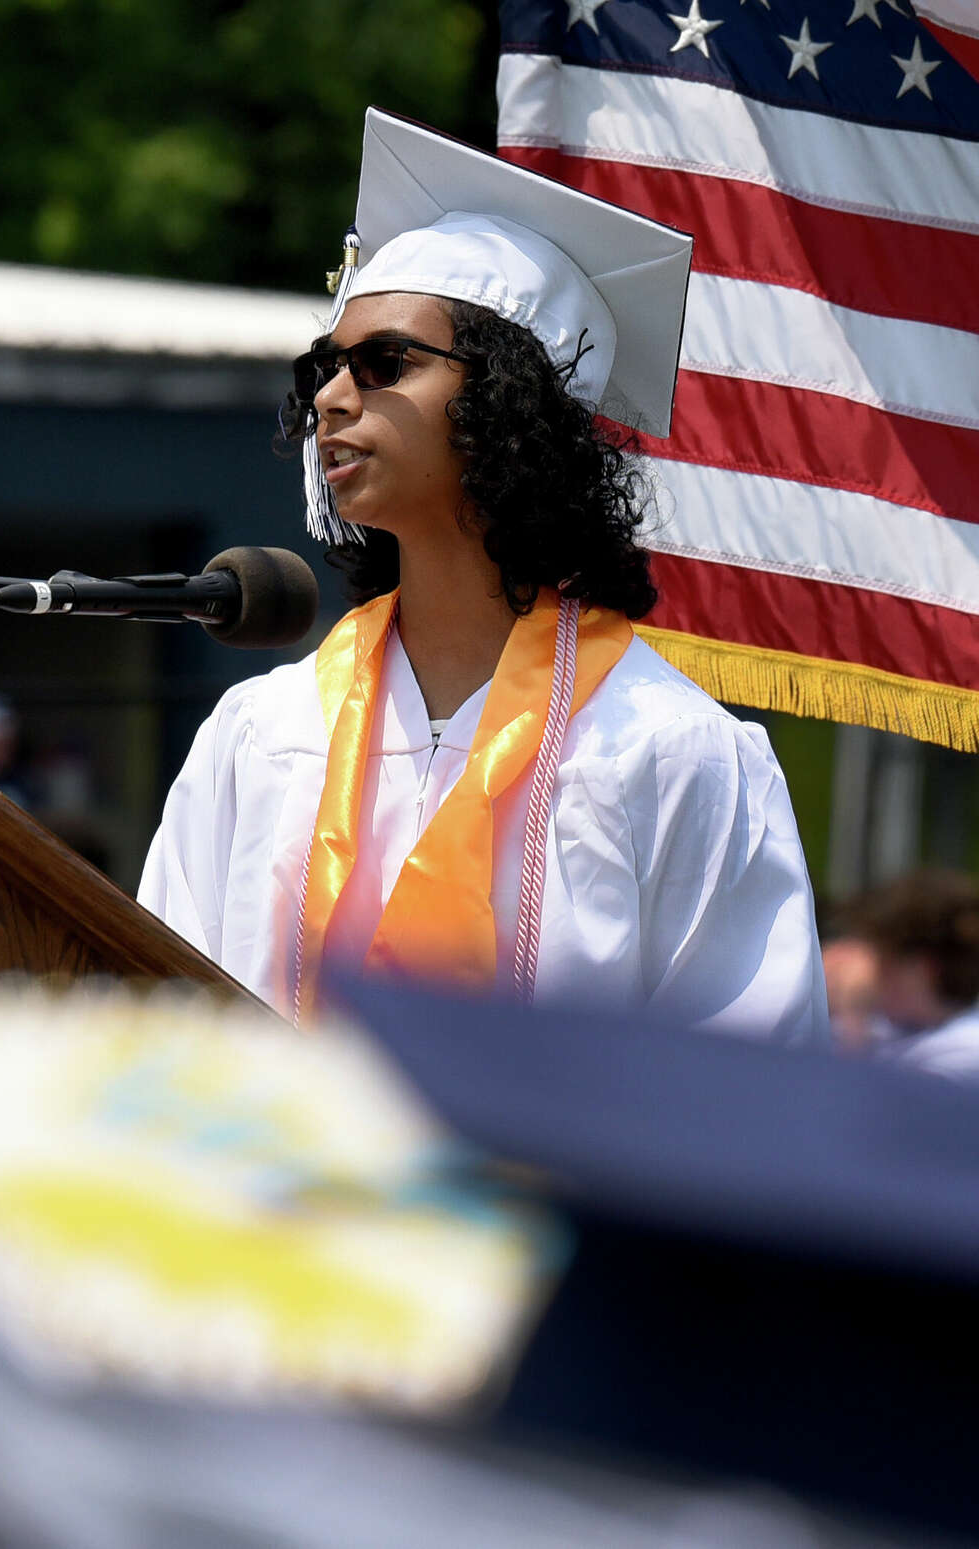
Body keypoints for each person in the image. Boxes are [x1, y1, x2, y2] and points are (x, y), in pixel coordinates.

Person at [139, 109, 827, 1039]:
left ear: (509, 399)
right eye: (324, 370)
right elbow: (159, 1027)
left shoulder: (668, 755)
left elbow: (744, 1093)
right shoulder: (262, 735)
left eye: (383, 363)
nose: (332, 399)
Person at [837, 869, 979, 1079]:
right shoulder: (898, 1028)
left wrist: (854, 1017)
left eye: (884, 961)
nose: (872, 974)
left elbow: (852, 1093)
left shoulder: (963, 1059)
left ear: (926, 970)